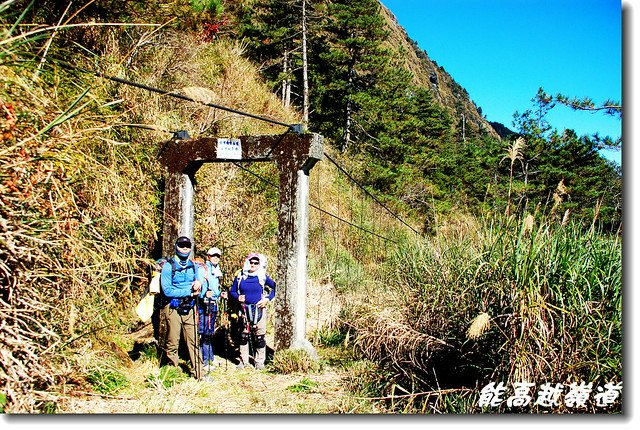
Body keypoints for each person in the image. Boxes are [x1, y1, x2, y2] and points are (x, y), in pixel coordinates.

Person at [160, 236, 206, 380]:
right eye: (182, 245)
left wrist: (199, 287)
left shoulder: (194, 266)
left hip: (190, 307)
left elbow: (200, 287)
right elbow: (167, 291)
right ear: (176, 246)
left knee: (193, 341)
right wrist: (189, 291)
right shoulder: (168, 266)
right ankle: (172, 374)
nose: (184, 248)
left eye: (187, 246)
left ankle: (200, 375)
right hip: (173, 307)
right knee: (173, 341)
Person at [229, 252, 275, 370]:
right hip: (244, 310)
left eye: (256, 263)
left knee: (260, 337)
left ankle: (259, 362)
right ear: (247, 262)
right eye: (251, 262)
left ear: (260, 264)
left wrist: (267, 299)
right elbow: (233, 291)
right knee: (244, 335)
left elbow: (276, 287)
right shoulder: (240, 276)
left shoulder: (262, 276)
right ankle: (244, 361)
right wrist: (238, 297)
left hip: (259, 309)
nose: (253, 264)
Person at [198, 246, 226, 371]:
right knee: (203, 331)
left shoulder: (217, 269)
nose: (215, 258)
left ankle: (210, 357)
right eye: (213, 255)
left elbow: (215, 288)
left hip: (214, 303)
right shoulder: (203, 269)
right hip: (204, 303)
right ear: (208, 256)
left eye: (217, 256)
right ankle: (204, 361)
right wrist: (204, 293)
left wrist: (220, 294)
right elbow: (197, 287)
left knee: (209, 331)